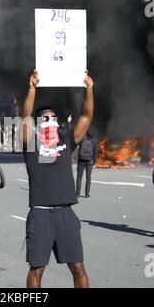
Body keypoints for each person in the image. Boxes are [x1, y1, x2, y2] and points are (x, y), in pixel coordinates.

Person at [21, 69, 94, 288]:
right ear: (37, 124)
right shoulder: (30, 143)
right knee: (37, 270)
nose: (50, 121)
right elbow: (25, 116)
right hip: (40, 214)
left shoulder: (68, 139)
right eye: (45, 118)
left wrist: (89, 89)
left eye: (53, 118)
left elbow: (87, 116)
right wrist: (32, 89)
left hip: (65, 213)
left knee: (78, 268)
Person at [76, 126, 99, 199]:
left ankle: (77, 194)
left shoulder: (82, 138)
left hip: (81, 160)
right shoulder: (95, 140)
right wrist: (94, 162)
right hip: (90, 160)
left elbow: (77, 146)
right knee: (88, 178)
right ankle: (87, 194)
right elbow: (95, 152)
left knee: (79, 177)